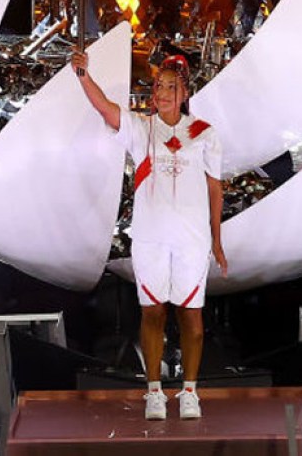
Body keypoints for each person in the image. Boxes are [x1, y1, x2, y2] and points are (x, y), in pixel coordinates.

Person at [71, 48, 228, 421]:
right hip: (150, 238)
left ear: (184, 93)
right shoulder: (141, 129)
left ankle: (190, 391)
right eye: (158, 86)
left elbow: (214, 189)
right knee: (153, 313)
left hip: (192, 240)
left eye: (170, 87)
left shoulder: (204, 134)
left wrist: (217, 240)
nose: (161, 93)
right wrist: (82, 76)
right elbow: (106, 108)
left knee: (192, 317)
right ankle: (154, 391)